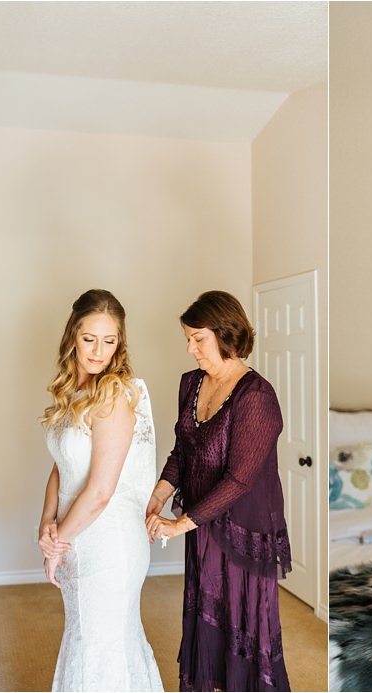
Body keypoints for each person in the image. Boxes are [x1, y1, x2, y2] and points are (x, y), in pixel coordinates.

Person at [145, 290, 291, 692]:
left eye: (198, 338)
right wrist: (159, 495)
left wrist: (178, 525)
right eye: (188, 339)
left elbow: (239, 480)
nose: (190, 348)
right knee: (206, 623)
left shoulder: (257, 396)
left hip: (244, 535)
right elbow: (183, 449)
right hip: (203, 528)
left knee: (242, 628)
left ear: (226, 334)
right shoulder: (191, 384)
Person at [38, 289, 163, 691]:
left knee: (101, 648)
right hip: (78, 533)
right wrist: (47, 525)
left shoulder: (114, 396)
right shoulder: (73, 391)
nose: (98, 351)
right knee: (86, 641)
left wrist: (57, 542)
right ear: (72, 335)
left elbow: (101, 491)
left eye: (109, 341)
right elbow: (63, 467)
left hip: (109, 542)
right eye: (90, 338)